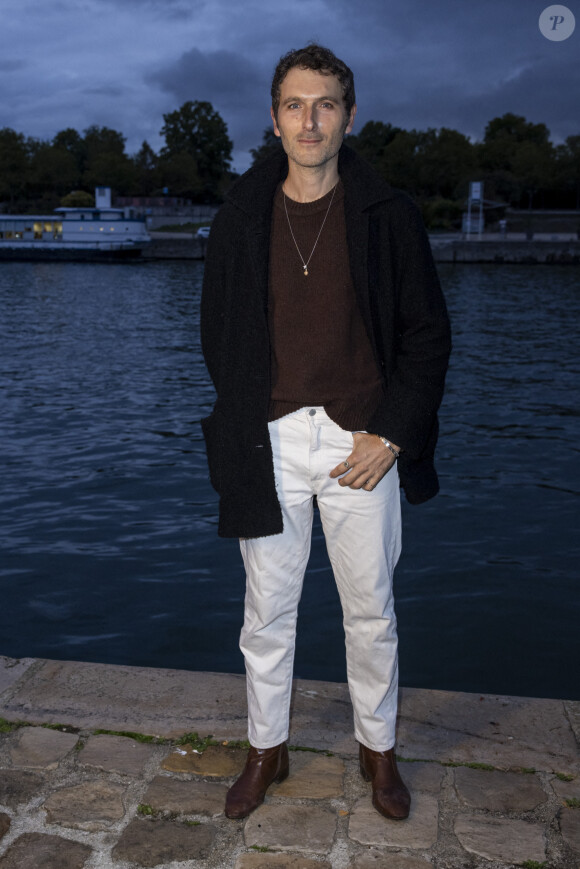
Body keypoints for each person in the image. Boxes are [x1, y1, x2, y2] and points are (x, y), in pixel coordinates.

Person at [200, 44, 451, 822]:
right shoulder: (240, 218)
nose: (310, 120)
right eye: (295, 105)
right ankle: (265, 751)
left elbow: (428, 335)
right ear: (273, 119)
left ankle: (379, 753)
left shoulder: (389, 216)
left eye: (326, 104)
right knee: (266, 612)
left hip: (360, 443)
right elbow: (217, 335)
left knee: (370, 610)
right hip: (269, 440)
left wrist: (392, 435)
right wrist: (250, 418)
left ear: (349, 114)